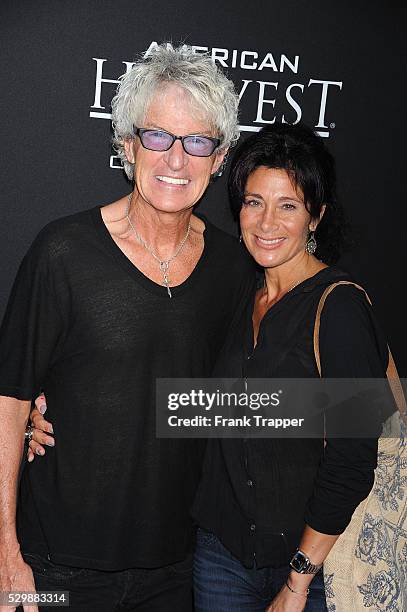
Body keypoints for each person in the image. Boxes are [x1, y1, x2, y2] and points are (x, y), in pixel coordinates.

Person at [0, 45, 255, 612]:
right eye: (158, 136)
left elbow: (249, 398)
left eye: (197, 142)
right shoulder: (62, 252)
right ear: (127, 145)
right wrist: (5, 553)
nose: (175, 160)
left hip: (179, 570)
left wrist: (374, 409)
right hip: (57, 569)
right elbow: (9, 397)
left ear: (218, 161)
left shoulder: (236, 269)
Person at [190, 123, 389, 611]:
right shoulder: (242, 294)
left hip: (309, 569)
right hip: (222, 558)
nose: (266, 223)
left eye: (288, 206)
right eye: (254, 202)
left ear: (315, 217)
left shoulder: (339, 307)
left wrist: (299, 581)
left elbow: (353, 458)